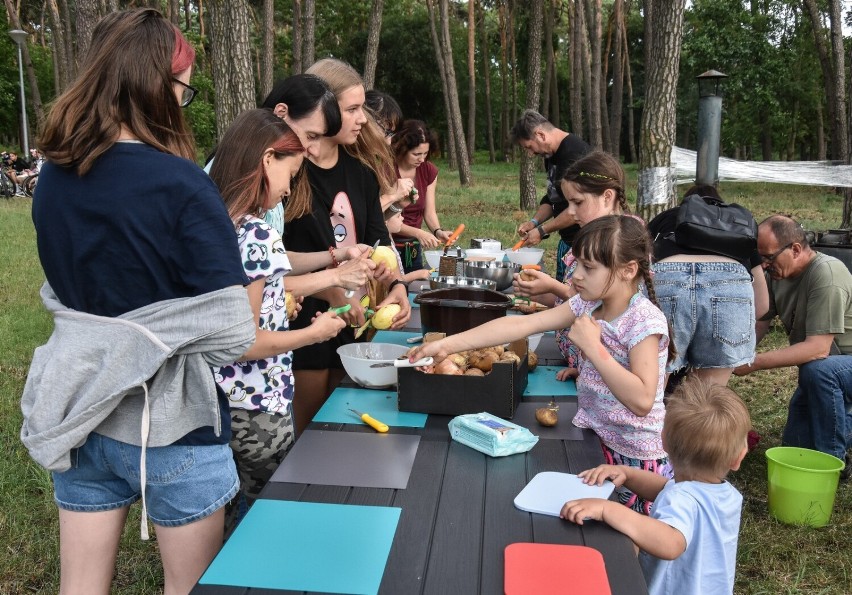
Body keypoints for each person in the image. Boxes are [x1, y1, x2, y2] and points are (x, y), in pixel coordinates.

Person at [22, 9, 256, 593]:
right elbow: (233, 332)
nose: (182, 100)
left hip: (83, 415)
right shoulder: (181, 184)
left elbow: (77, 291)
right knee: (191, 588)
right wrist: (160, 330)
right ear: (156, 87)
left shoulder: (54, 177)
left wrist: (124, 330)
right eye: (182, 87)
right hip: (172, 425)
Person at [412, 215, 674, 513]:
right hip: (593, 440)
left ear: (628, 270)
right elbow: (519, 327)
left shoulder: (643, 321)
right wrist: (445, 345)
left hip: (635, 458)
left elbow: (642, 400)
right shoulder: (588, 304)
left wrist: (592, 347)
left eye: (588, 268)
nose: (575, 276)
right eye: (577, 265)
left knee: (629, 546)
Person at [209, 108, 351, 526]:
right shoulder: (256, 232)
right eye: (291, 174)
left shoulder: (214, 221)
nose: (289, 189)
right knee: (265, 515)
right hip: (257, 404)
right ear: (267, 159)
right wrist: (313, 333)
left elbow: (266, 288)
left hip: (214, 400)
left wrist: (331, 274)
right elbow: (247, 340)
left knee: (224, 506)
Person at [285, 58, 411, 433]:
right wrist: (334, 291)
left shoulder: (361, 172)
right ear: (322, 109)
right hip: (303, 323)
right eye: (352, 109)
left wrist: (398, 284)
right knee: (308, 432)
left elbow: (378, 239)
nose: (362, 119)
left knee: (344, 423)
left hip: (355, 320)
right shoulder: (289, 171)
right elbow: (273, 262)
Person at [560, 377, 751, 595]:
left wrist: (608, 509)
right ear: (738, 458)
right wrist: (628, 473)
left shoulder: (682, 499)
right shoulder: (727, 495)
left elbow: (671, 543)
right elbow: (667, 489)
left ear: (664, 441)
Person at [733, 215, 852, 475]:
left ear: (795, 249)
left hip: (837, 369)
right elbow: (761, 322)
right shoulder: (780, 276)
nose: (764, 265)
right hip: (826, 372)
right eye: (760, 258)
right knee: (795, 447)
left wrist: (753, 363)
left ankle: (834, 462)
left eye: (769, 257)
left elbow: (817, 349)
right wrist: (734, 353)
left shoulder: (827, 273)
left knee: (819, 372)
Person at [513, 151, 631, 375]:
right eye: (569, 204)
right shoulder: (591, 237)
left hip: (608, 371)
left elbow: (602, 307)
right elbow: (576, 298)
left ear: (607, 196)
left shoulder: (621, 242)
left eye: (577, 202)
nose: (572, 212)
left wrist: (552, 286)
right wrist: (539, 292)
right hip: (590, 365)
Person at [648, 185, 768, 388]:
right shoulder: (738, 225)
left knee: (654, 389)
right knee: (708, 397)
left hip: (669, 278)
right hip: (730, 284)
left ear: (685, 206)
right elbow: (763, 305)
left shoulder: (667, 217)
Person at [511, 109, 591, 280]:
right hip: (567, 242)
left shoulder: (575, 155)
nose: (531, 153)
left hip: (585, 246)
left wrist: (542, 230)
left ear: (540, 135)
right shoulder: (551, 155)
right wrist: (534, 222)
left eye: (529, 147)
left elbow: (578, 210)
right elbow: (552, 197)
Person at [391, 120, 449, 272]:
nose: (422, 159)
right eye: (416, 154)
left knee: (414, 288)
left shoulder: (428, 170)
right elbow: (384, 220)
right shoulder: (385, 170)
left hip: (413, 247)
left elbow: (428, 211)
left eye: (425, 153)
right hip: (388, 246)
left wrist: (437, 231)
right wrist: (418, 233)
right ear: (402, 149)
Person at [383, 201, 430, 283]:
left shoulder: (390, 241)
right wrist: (417, 275)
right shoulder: (384, 249)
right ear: (385, 222)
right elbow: (390, 281)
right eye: (398, 216)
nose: (402, 218)